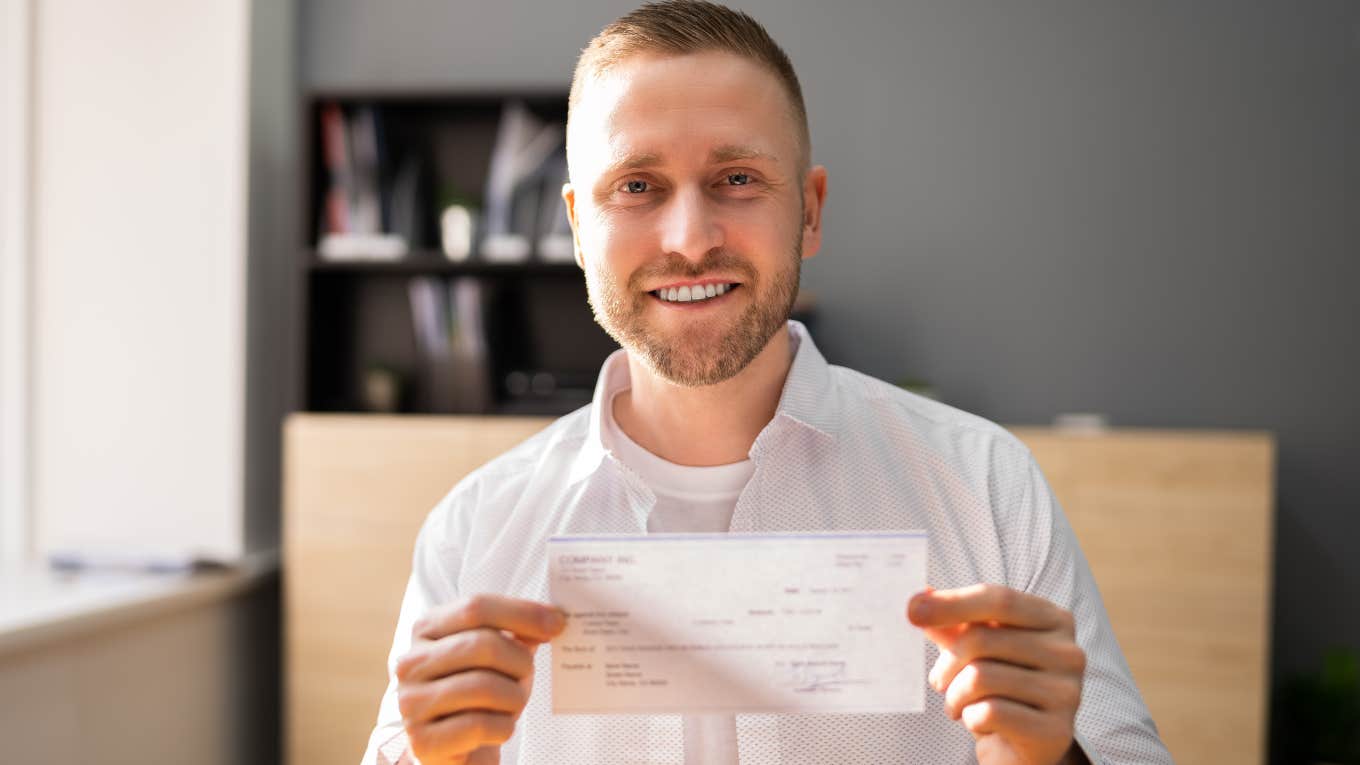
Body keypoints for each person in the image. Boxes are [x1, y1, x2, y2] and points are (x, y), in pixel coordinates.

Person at [362, 2, 1171, 763]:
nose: (690, 239)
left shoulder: (987, 490)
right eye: (637, 187)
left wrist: (1056, 757)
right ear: (577, 227)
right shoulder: (475, 532)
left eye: (738, 179)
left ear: (810, 211)